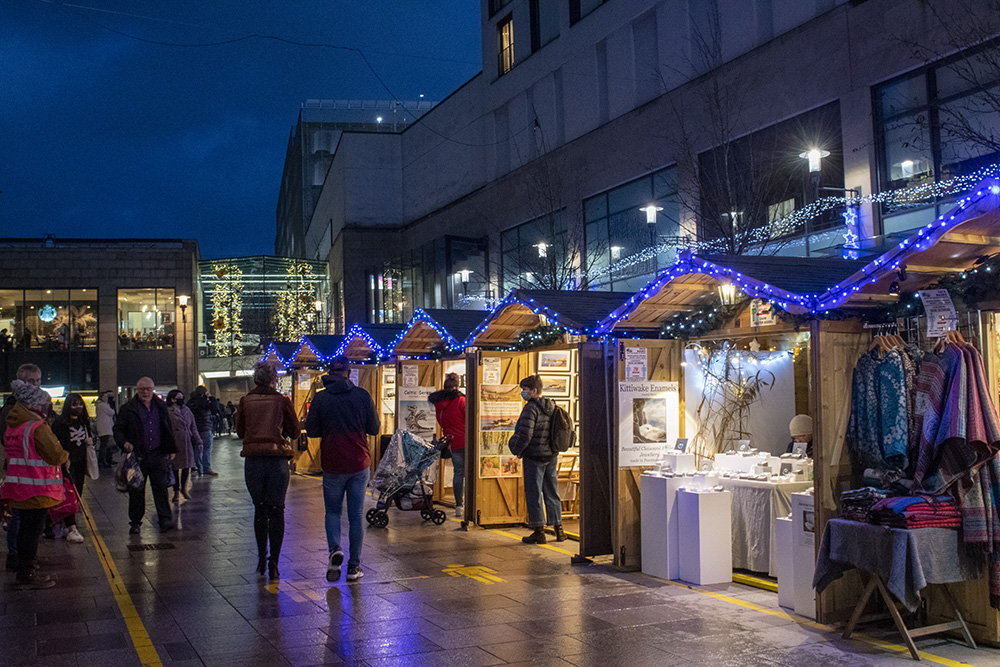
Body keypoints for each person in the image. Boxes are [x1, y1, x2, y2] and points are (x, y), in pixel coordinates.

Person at [306, 356, 379, 583]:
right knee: (356, 515)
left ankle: (334, 549)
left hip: (333, 463)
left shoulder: (321, 398)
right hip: (359, 462)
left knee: (333, 512)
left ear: (330, 372)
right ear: (348, 373)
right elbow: (375, 429)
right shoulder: (362, 396)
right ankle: (354, 567)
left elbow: (311, 432)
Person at [1, 380, 68, 588]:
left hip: (18, 486)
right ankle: (26, 574)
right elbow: (55, 454)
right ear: (36, 405)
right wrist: (65, 454)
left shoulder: (14, 425)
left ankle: (23, 568)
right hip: (36, 487)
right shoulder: (37, 427)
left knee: (23, 530)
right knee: (32, 531)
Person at [237, 362, 300, 581]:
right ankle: (274, 561)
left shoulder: (245, 401)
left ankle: (261, 556)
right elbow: (294, 431)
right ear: (274, 380)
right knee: (277, 510)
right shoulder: (282, 401)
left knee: (260, 509)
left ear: (256, 379)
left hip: (253, 461)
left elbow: (239, 431)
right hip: (277, 462)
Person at [114, 377, 177, 534]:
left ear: (153, 389)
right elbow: (118, 429)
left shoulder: (161, 406)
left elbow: (167, 428)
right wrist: (124, 443)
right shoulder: (128, 408)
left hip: (157, 453)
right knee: (136, 490)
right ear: (137, 390)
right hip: (138, 456)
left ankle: (165, 519)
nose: (145, 392)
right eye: (142, 389)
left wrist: (171, 449)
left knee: (161, 488)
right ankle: (135, 522)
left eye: (148, 389)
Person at [508, 374, 566, 544]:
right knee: (552, 492)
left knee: (534, 493)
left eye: (524, 390)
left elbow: (526, 434)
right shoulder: (553, 406)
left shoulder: (530, 408)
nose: (523, 393)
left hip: (534, 456)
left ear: (534, 391)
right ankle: (559, 530)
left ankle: (539, 531)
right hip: (551, 455)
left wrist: (517, 450)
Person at [1, 364, 43, 573]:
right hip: (17, 471)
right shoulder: (12, 410)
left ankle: (24, 557)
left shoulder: (36, 407)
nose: (35, 385)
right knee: (18, 517)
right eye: (30, 381)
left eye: (37, 381)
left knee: (28, 519)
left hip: (32, 472)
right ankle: (17, 556)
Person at [50, 393, 92, 544]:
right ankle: (71, 526)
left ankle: (66, 523)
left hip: (80, 461)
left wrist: (89, 441)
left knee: (77, 492)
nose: (79, 407)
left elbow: (89, 436)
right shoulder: (60, 423)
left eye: (80, 404)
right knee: (68, 492)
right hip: (66, 462)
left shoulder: (84, 422)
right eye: (75, 405)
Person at [429, 373, 466, 518]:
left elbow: (442, 422)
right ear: (457, 386)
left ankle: (459, 506)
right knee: (471, 474)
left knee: (458, 473)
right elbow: (471, 417)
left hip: (452, 442)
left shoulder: (439, 404)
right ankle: (472, 503)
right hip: (467, 441)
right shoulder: (461, 401)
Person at [165, 390, 201, 502]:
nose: (181, 399)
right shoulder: (168, 411)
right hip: (175, 441)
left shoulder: (187, 410)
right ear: (172, 399)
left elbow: (193, 427)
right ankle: (176, 491)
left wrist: (198, 440)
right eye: (179, 397)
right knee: (175, 467)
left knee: (187, 466)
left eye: (182, 396)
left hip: (186, 441)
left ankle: (184, 489)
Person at [187, 386, 216, 476]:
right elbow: (214, 408)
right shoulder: (204, 401)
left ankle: (199, 468)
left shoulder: (190, 402)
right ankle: (206, 469)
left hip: (194, 429)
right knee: (206, 449)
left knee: (197, 449)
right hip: (205, 427)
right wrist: (211, 397)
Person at [95, 391, 117, 468]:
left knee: (104, 444)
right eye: (105, 397)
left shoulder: (99, 405)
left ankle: (104, 460)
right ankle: (103, 460)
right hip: (105, 427)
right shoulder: (103, 406)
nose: (106, 398)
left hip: (103, 427)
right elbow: (112, 412)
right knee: (104, 445)